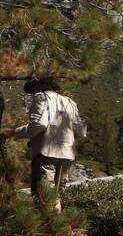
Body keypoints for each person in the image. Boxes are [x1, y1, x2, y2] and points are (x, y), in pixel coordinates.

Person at [1, 78, 85, 212]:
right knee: (57, 195)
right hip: (67, 154)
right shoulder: (69, 102)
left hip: (46, 152)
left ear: (42, 85)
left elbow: (39, 124)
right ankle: (59, 228)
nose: (32, 91)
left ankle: (49, 228)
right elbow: (81, 130)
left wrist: (14, 133)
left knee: (44, 196)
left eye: (33, 87)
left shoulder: (41, 97)